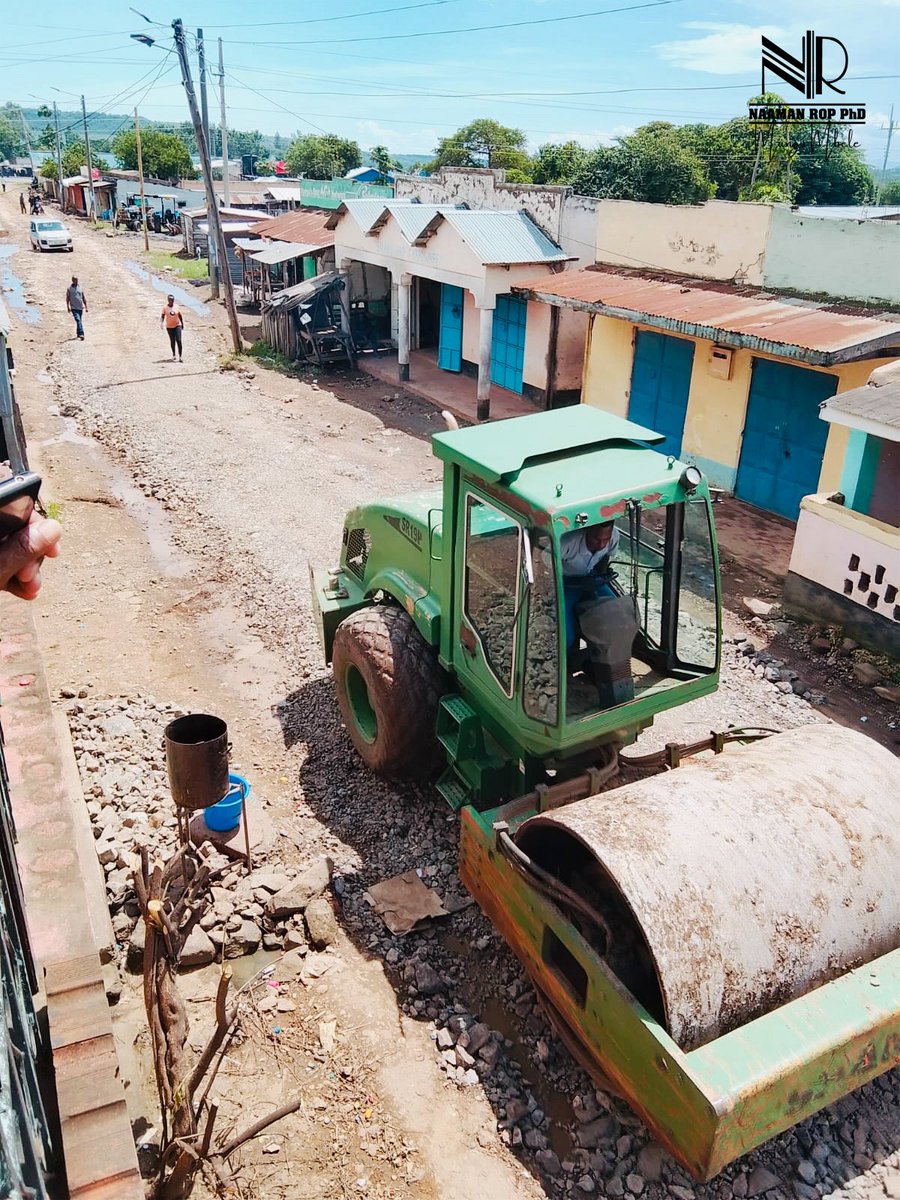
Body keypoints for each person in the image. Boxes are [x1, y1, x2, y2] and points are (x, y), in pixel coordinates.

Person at [560, 521, 620, 651]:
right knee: (566, 636)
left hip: (592, 577)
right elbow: (545, 569)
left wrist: (600, 579)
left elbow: (606, 557)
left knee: (618, 613)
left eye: (605, 540)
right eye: (596, 539)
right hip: (565, 583)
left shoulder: (614, 536)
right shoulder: (566, 543)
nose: (601, 545)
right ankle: (567, 657)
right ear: (587, 531)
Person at [161, 295, 184, 361]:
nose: (171, 301)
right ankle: (174, 354)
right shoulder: (165, 308)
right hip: (169, 326)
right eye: (170, 300)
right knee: (172, 341)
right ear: (168, 300)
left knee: (179, 340)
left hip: (177, 325)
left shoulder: (176, 307)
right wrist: (161, 323)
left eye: (172, 300)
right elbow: (162, 316)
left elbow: (180, 315)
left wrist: (182, 323)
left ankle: (180, 357)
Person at [66, 276, 87, 340]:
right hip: (73, 307)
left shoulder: (80, 288)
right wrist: (68, 306)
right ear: (72, 280)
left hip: (80, 307)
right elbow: (67, 298)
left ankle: (78, 333)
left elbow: (83, 297)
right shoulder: (69, 289)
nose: (76, 281)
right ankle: (81, 333)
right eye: (75, 280)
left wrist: (86, 307)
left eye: (77, 280)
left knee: (79, 320)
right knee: (78, 320)